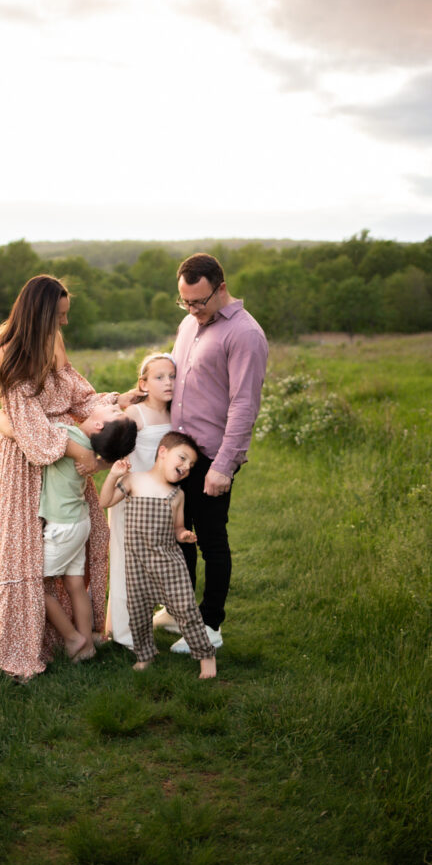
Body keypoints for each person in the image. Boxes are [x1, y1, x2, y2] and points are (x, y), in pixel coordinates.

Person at [0, 274, 136, 681]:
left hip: (63, 457)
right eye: (59, 317)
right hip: (27, 464)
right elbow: (30, 427)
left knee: (68, 557)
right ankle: (26, 645)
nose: (65, 324)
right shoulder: (10, 353)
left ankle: (71, 638)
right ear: (39, 315)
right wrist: (84, 453)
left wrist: (116, 400)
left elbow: (78, 397)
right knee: (26, 554)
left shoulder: (54, 341)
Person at [155, 252, 268, 654]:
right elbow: (175, 375)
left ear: (221, 288)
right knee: (178, 537)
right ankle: (180, 612)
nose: (192, 310)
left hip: (211, 456)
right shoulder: (189, 323)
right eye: (185, 302)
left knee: (210, 541)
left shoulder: (245, 334)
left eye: (199, 302)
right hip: (179, 452)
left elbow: (243, 405)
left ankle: (210, 625)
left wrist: (223, 466)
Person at [0, 402, 137, 663]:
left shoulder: (64, 435)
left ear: (98, 425)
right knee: (75, 585)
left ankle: (73, 638)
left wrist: (0, 416)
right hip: (79, 523)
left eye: (114, 412)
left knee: (35, 585)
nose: (112, 406)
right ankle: (87, 647)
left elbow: (24, 432)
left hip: (63, 527)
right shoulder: (90, 450)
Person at [99, 431, 217, 679]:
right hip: (137, 565)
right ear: (163, 452)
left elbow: (177, 528)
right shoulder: (133, 481)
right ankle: (145, 655)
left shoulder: (177, 495)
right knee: (139, 612)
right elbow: (105, 501)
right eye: (182, 458)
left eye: (191, 465)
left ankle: (206, 656)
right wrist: (113, 476)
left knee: (186, 609)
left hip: (168, 564)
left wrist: (184, 535)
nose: (186, 467)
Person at [105, 352, 175, 648]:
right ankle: (126, 633)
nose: (168, 382)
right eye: (160, 377)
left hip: (158, 500)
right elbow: (111, 446)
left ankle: (147, 618)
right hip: (130, 498)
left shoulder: (175, 414)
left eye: (172, 376)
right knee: (126, 562)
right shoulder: (136, 415)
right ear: (143, 384)